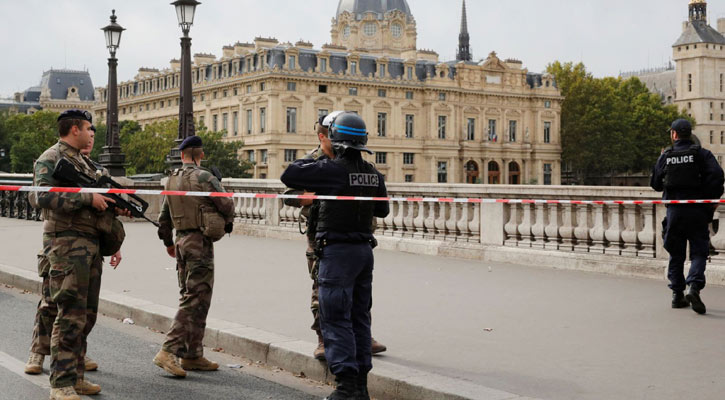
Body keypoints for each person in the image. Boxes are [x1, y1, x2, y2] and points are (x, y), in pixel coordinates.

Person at [281, 112, 390, 400]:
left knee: (335, 318)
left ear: (334, 139)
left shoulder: (330, 170)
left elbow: (289, 174)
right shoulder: (372, 173)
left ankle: (346, 388)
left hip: (337, 253)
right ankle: (361, 386)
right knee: (360, 318)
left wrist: (321, 159)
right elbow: (382, 210)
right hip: (364, 252)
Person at [28, 109, 127, 400]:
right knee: (68, 315)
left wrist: (112, 206)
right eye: (88, 128)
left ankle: (76, 376)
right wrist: (87, 197)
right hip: (66, 246)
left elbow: (98, 200)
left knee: (85, 315)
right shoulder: (50, 157)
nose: (91, 132)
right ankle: (61, 384)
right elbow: (39, 196)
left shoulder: (84, 162)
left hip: (89, 245)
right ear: (74, 130)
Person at [153, 135, 235, 378]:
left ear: (182, 155)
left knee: (193, 296)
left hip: (181, 242)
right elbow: (227, 207)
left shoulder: (171, 179)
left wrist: (169, 243)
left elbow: (164, 217)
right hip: (200, 242)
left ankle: (192, 354)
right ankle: (168, 350)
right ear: (200, 155)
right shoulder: (205, 177)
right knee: (195, 298)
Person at [651, 119, 724, 315]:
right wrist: (708, 198)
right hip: (698, 210)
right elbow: (718, 177)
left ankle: (677, 295)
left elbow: (656, 184)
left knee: (676, 253)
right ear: (690, 134)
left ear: (674, 134)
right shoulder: (702, 154)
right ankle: (694, 287)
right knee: (699, 252)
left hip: (675, 211)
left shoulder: (666, 155)